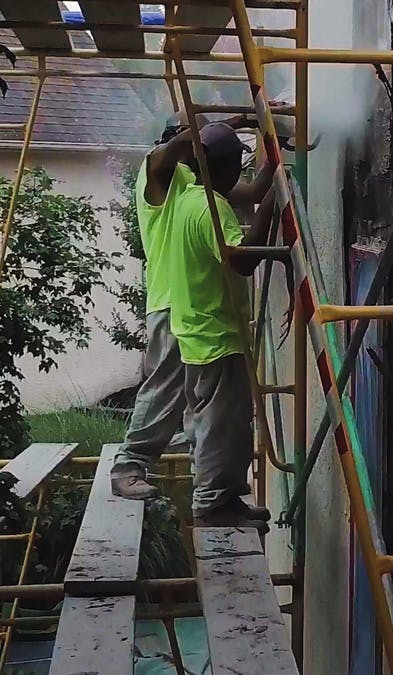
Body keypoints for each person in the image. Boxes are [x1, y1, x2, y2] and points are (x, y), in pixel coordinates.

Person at [112, 114, 276, 528]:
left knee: (201, 398)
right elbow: (181, 153)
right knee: (168, 391)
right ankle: (129, 465)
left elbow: (250, 191)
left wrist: (270, 148)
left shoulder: (194, 187)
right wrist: (220, 128)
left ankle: (208, 480)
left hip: (189, 295)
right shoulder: (159, 175)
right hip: (172, 298)